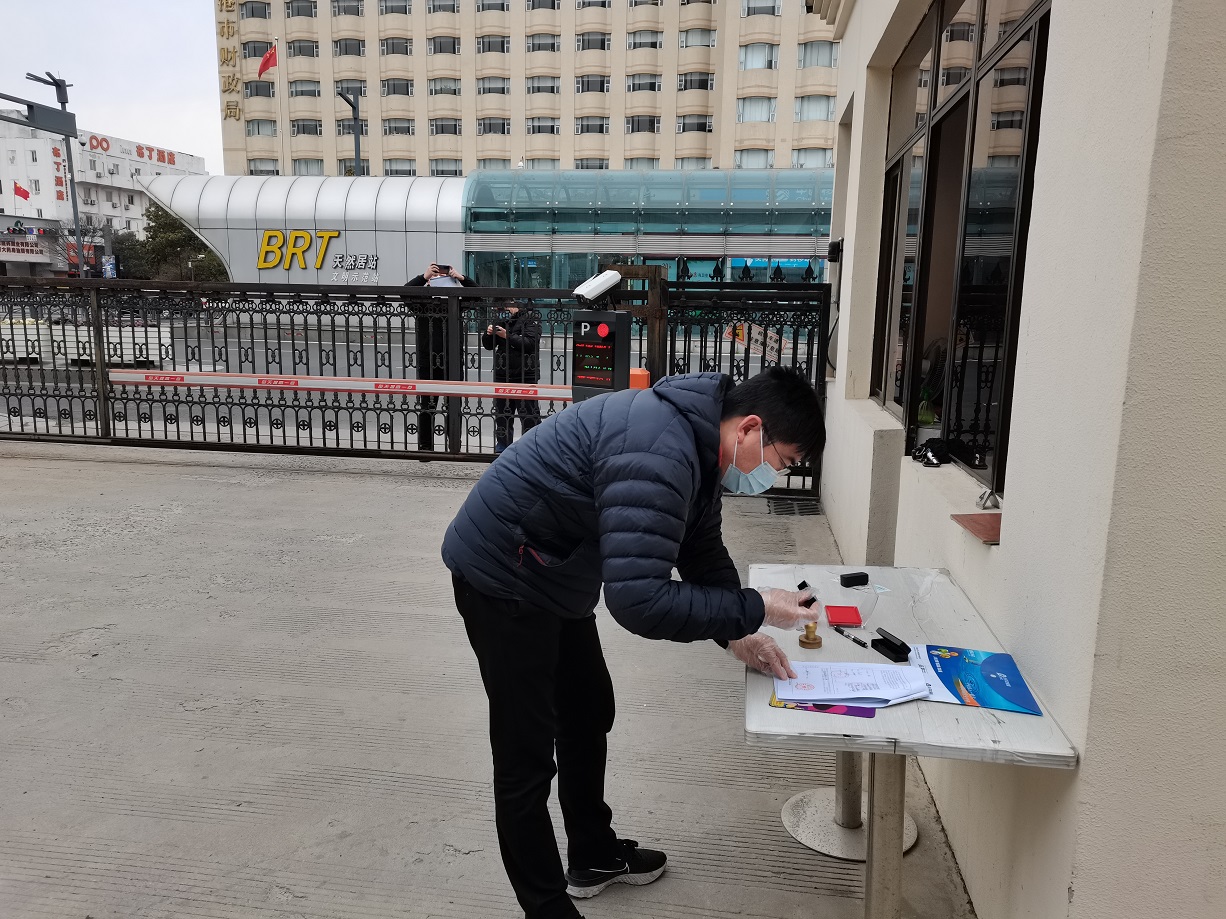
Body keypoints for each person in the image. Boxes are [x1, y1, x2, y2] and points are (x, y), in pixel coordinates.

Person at [441, 367, 825, 919]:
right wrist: (757, 605)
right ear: (750, 428)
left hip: (554, 567)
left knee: (588, 710)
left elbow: (699, 547)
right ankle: (547, 909)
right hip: (503, 574)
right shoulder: (659, 448)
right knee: (526, 756)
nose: (773, 475)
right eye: (781, 461)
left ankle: (592, 854)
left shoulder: (701, 443)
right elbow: (639, 600)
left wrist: (738, 632)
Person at [405, 263, 475, 450]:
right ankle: (425, 446)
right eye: (435, 277)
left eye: (444, 277)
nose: (440, 280)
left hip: (452, 360)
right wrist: (423, 277)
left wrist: (462, 278)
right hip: (428, 361)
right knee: (427, 406)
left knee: (454, 404)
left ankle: (454, 445)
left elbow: (478, 295)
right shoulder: (422, 304)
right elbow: (404, 292)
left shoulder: (456, 303)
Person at [482, 299, 542, 454]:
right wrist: (488, 334)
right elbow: (488, 345)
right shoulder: (502, 320)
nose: (505, 309)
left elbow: (530, 343)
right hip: (503, 373)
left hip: (525, 374)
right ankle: (503, 446)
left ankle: (531, 448)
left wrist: (506, 335)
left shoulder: (531, 318)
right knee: (502, 414)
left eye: (508, 305)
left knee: (528, 414)